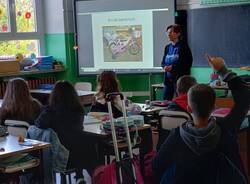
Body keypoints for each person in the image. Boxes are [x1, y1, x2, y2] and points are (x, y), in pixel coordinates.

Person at [152, 56, 250, 183]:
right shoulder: (226, 128)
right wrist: (222, 70)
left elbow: (156, 165)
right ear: (214, 107)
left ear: (189, 108)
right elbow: (244, 98)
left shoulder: (177, 135)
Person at [35, 81, 97, 178]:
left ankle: (79, 177)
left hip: (60, 155)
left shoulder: (50, 111)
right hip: (81, 153)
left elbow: (39, 124)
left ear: (54, 95)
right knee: (90, 144)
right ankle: (89, 177)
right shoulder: (79, 109)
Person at [161, 24, 193, 100]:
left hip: (180, 81)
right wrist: (164, 67)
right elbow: (163, 62)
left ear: (178, 34)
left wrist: (173, 67)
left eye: (171, 32)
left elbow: (187, 62)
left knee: (181, 100)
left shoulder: (183, 46)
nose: (168, 34)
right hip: (168, 81)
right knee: (165, 100)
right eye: (167, 32)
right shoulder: (167, 47)